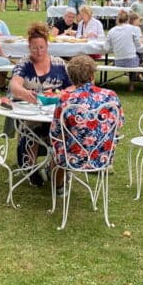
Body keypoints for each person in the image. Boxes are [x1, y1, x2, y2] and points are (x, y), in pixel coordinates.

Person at [49, 54, 124, 192]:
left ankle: (58, 187)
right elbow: (119, 124)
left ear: (71, 77)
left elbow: (55, 131)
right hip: (103, 157)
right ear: (92, 75)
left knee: (56, 146)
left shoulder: (66, 99)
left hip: (72, 158)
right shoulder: (111, 95)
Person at [9, 23, 72, 183]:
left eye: (42, 48)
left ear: (47, 45)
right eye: (34, 48)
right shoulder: (24, 63)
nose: (38, 52)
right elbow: (14, 85)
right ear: (29, 47)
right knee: (30, 130)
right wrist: (23, 92)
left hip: (54, 112)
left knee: (62, 130)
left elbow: (71, 86)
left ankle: (56, 168)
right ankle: (29, 168)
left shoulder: (59, 64)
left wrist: (63, 93)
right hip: (29, 111)